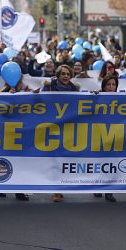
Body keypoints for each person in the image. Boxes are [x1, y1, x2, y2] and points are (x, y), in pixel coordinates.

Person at [40, 65, 79, 202]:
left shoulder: (74, 89)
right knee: (54, 159)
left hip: (68, 128)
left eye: (68, 74)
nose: (66, 76)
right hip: (52, 127)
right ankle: (55, 190)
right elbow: (41, 103)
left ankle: (60, 187)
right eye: (63, 74)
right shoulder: (49, 87)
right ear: (57, 75)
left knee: (64, 159)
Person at [91, 74, 118, 203]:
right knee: (100, 162)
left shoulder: (122, 98)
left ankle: (109, 191)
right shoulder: (98, 96)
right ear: (104, 86)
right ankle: (98, 186)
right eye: (108, 84)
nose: (111, 87)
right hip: (99, 134)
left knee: (111, 163)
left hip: (114, 135)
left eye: (113, 84)